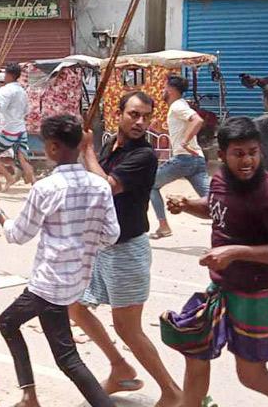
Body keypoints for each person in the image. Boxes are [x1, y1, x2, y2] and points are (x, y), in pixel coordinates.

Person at [161, 117, 268, 407]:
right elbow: (215, 207)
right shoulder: (220, 178)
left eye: (253, 152)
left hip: (259, 295)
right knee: (195, 349)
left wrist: (234, 252)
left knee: (252, 376)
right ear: (222, 155)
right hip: (222, 287)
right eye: (238, 154)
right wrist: (188, 205)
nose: (247, 161)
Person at [0, 113, 120, 407]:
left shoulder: (46, 188)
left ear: (54, 147)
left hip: (48, 284)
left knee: (8, 324)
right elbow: (112, 235)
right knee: (66, 356)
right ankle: (30, 396)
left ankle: (29, 396)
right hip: (75, 282)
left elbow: (18, 234)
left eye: (45, 144)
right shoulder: (100, 186)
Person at [69, 91, 183, 405]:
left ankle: (172, 392)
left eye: (146, 116)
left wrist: (87, 150)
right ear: (119, 113)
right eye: (134, 114)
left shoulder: (144, 155)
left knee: (128, 328)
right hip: (101, 247)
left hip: (127, 250)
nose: (140, 122)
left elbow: (106, 187)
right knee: (75, 306)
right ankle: (119, 368)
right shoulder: (110, 145)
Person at [149, 75, 210, 239]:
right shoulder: (178, 106)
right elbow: (177, 133)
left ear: (170, 89)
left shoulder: (177, 106)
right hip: (197, 159)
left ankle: (163, 227)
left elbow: (197, 120)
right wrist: (159, 130)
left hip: (184, 159)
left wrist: (184, 141)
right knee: (213, 199)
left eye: (164, 87)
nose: (162, 91)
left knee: (151, 185)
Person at [0, 63, 35, 191]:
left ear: (9, 75)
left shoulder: (7, 90)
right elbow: (26, 110)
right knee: (22, 159)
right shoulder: (22, 91)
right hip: (20, 128)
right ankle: (35, 184)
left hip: (9, 130)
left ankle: (8, 177)